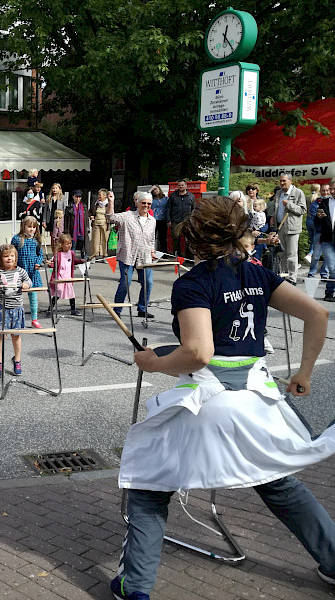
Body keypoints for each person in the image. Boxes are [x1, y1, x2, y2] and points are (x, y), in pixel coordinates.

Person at [111, 195, 335, 600]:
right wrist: (303, 372)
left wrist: (152, 363)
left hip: (207, 403)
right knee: (277, 482)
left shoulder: (193, 283)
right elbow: (317, 315)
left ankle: (134, 587)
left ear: (196, 238)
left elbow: (199, 353)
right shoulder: (258, 274)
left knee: (147, 485)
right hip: (255, 401)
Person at [106, 190, 156, 319]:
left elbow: (151, 239)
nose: (146, 206)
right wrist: (111, 202)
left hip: (145, 256)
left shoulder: (152, 220)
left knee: (148, 283)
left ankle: (142, 308)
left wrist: (152, 251)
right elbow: (110, 218)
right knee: (125, 282)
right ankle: (116, 310)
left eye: (149, 203)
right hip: (128, 255)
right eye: (143, 203)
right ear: (138, 204)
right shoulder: (128, 216)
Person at [0, 244, 32, 376]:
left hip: (17, 308)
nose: (9, 258)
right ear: (0, 259)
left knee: (16, 335)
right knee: (2, 335)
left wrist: (26, 284)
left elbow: (29, 282)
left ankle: (17, 360)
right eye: (6, 256)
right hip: (3, 309)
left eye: (12, 256)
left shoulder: (21, 272)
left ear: (16, 258)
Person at [270, 173, 307, 285]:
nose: (281, 183)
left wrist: (289, 205)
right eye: (280, 181)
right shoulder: (278, 193)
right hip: (280, 227)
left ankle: (292, 278)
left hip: (292, 228)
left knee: (291, 254)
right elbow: (275, 208)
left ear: (290, 181)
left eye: (284, 181)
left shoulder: (298, 193)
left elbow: (302, 210)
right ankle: (283, 276)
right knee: (281, 253)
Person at [11, 216, 44, 328]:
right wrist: (12, 264)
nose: (31, 229)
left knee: (33, 295)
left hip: (32, 272)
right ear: (23, 226)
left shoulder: (36, 241)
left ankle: (34, 319)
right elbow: (12, 252)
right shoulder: (17, 239)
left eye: (34, 227)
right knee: (17, 295)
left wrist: (38, 263)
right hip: (20, 272)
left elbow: (40, 254)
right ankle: (16, 318)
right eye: (29, 226)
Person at [48, 233, 82, 316]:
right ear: (61, 245)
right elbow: (54, 264)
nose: (69, 245)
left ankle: (73, 309)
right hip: (60, 277)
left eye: (70, 243)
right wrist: (50, 264)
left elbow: (75, 261)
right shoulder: (58, 255)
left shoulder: (72, 253)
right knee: (57, 294)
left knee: (71, 294)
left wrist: (81, 261)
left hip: (68, 277)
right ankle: (50, 309)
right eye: (67, 244)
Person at [314, 179, 335, 301]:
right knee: (332, 267)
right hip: (327, 239)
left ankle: (330, 291)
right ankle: (329, 292)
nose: (331, 191)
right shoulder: (324, 202)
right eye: (330, 189)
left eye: (334, 189)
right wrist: (318, 217)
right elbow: (317, 223)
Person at [167, 179, 195, 258]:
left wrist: (193, 220)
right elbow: (168, 208)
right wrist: (168, 220)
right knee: (176, 238)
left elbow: (194, 209)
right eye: (179, 185)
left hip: (187, 221)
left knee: (188, 239)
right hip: (175, 220)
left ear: (186, 186)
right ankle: (177, 256)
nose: (181, 186)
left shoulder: (191, 196)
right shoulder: (172, 196)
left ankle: (188, 257)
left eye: (182, 185)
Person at [308, 184, 329, 279]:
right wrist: (319, 217)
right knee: (316, 255)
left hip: (330, 233)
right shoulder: (316, 203)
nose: (325, 192)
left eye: (327, 190)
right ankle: (312, 272)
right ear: (320, 191)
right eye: (323, 190)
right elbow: (313, 219)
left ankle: (324, 273)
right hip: (320, 232)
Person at [89, 189, 110, 259]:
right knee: (95, 240)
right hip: (96, 223)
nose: (99, 196)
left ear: (105, 196)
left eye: (100, 195)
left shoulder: (108, 204)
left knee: (104, 240)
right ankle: (94, 256)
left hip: (105, 224)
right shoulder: (95, 203)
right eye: (98, 195)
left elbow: (112, 213)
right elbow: (90, 211)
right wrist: (91, 216)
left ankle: (104, 255)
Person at [150, 186, 168, 252]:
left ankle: (163, 253)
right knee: (152, 237)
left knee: (162, 237)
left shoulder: (166, 198)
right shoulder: (151, 198)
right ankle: (151, 251)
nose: (155, 191)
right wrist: (150, 190)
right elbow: (144, 197)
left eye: (156, 189)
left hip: (162, 219)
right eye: (153, 190)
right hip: (152, 219)